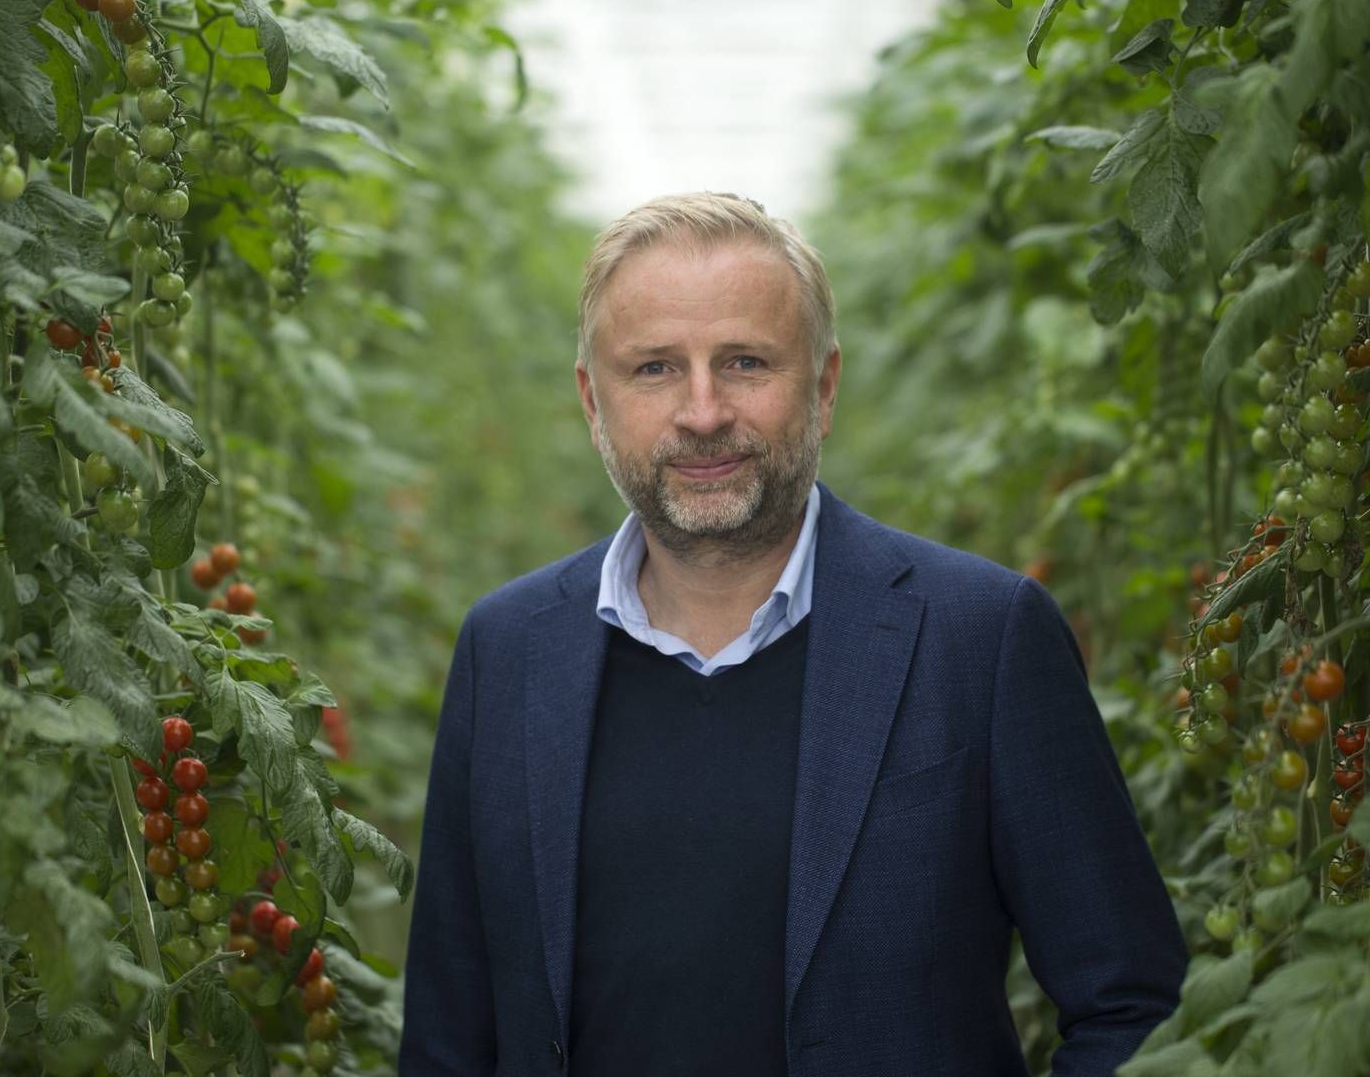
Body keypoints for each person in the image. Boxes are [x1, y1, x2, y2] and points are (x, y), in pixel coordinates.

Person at [398, 191, 1188, 1076]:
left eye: (744, 362)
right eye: (654, 368)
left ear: (824, 386)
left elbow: (1131, 1006)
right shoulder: (507, 650)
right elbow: (446, 1039)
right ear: (593, 399)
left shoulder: (981, 639)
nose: (702, 413)